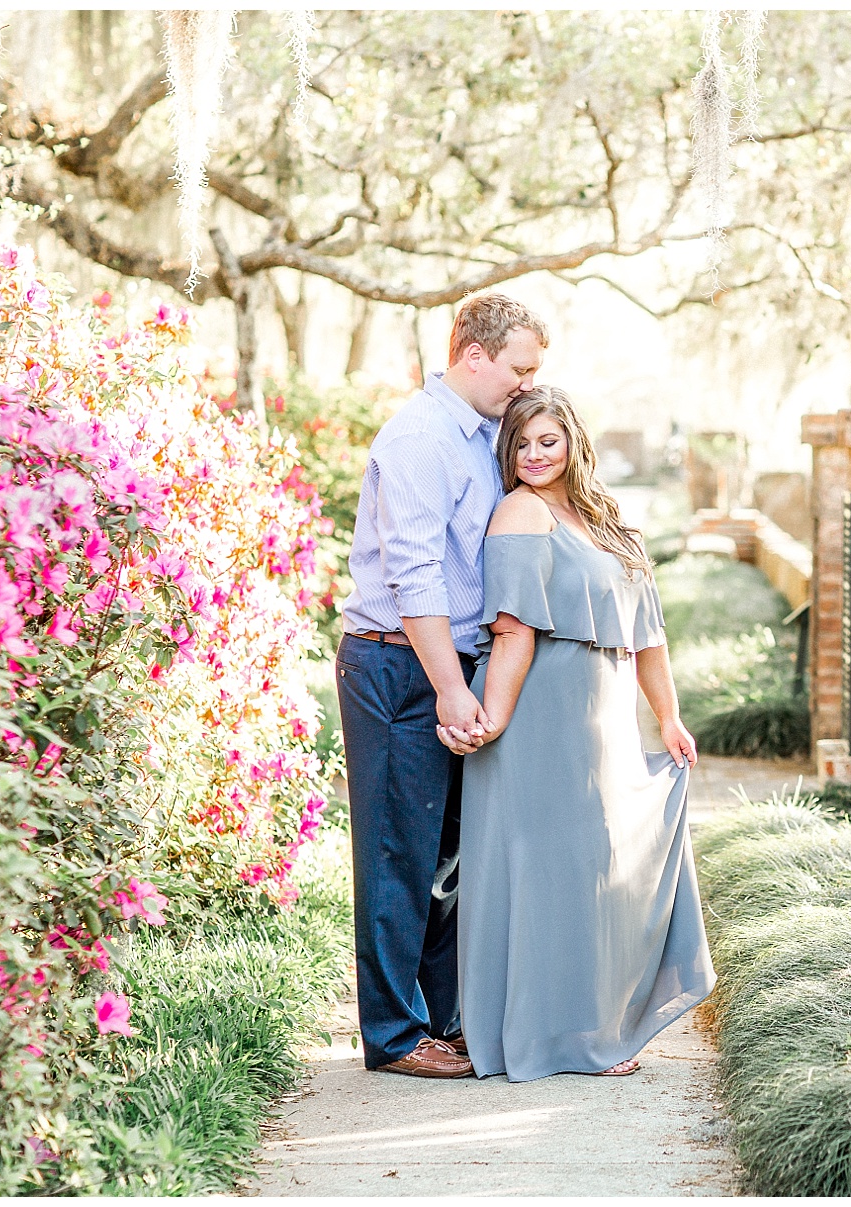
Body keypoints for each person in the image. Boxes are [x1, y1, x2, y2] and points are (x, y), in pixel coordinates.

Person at [449, 387, 715, 1081]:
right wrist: (492, 719)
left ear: (573, 441)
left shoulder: (607, 520)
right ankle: (557, 1040)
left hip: (603, 721)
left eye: (548, 440)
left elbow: (648, 634)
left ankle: (590, 1028)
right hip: (540, 717)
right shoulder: (520, 511)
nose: (535, 455)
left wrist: (668, 715)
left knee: (598, 869)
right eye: (522, 444)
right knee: (552, 874)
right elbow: (513, 628)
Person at [335, 293, 548, 1078]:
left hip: (447, 662)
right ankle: (394, 1035)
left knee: (447, 862)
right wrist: (450, 689)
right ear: (474, 355)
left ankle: (448, 1020)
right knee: (398, 854)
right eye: (520, 367)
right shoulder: (421, 439)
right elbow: (415, 574)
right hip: (399, 664)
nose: (528, 383)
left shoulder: (483, 435)